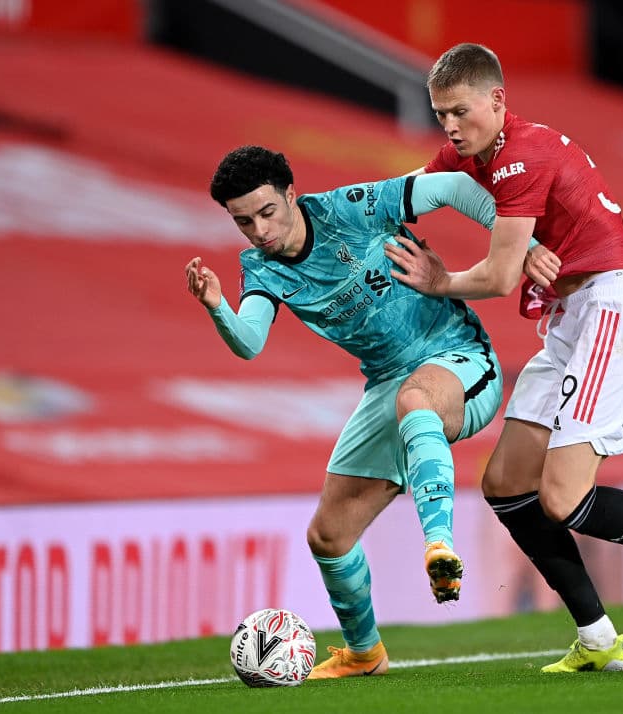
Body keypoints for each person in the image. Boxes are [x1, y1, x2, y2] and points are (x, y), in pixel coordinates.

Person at [384, 43, 623, 673]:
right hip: (572, 317)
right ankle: (599, 641)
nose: (450, 127)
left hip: (613, 307)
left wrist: (443, 281)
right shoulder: (472, 153)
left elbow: (498, 278)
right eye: (441, 114)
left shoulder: (522, 156)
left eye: (461, 112)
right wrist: (316, 220)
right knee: (505, 484)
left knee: (563, 498)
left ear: (498, 99)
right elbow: (408, 192)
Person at [186, 145, 506, 679]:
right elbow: (250, 342)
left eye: (267, 212)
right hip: (388, 383)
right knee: (329, 537)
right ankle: (364, 654)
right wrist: (218, 305)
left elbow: (450, 186)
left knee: (415, 399)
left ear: (292, 194)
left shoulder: (351, 207)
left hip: (459, 357)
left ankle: (439, 545)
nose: (260, 230)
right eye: (244, 221)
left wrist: (523, 244)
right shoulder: (260, 268)